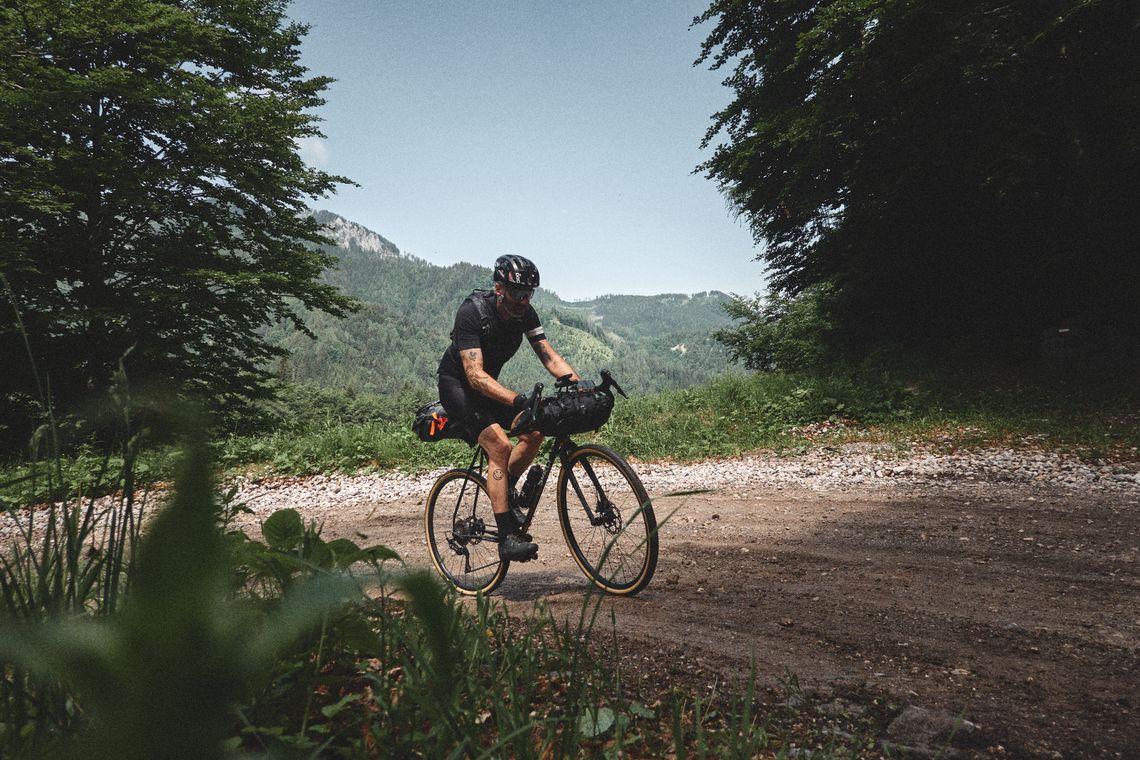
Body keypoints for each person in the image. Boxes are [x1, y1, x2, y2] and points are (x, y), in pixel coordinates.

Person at [437, 255, 579, 561]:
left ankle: (505, 490)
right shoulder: (472, 313)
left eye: (529, 294)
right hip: (459, 388)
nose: (523, 301)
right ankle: (505, 539)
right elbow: (474, 376)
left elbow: (549, 357)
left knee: (535, 430)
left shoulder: (525, 315)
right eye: (517, 294)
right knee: (499, 446)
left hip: (490, 388)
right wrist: (517, 400)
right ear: (499, 288)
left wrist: (577, 384)